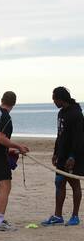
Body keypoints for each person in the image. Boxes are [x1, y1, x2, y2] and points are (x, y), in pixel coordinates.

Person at [0, 91, 29, 231]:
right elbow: (0, 138)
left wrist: (9, 150)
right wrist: (18, 146)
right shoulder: (5, 116)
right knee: (5, 186)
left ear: (1, 100)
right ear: (14, 103)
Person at [41, 87, 84, 226]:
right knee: (59, 183)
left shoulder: (76, 114)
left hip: (74, 155)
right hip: (61, 154)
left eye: (55, 99)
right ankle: (58, 216)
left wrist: (72, 156)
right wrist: (55, 152)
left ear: (61, 98)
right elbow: (60, 134)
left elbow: (79, 138)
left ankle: (75, 216)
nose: (53, 101)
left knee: (74, 183)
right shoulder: (61, 113)